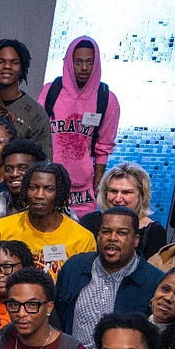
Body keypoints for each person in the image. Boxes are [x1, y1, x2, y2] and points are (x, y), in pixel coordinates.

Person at [55, 207, 161, 349]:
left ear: (136, 240)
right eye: (106, 231)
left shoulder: (154, 281)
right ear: (98, 237)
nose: (112, 238)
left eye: (122, 233)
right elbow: (58, 318)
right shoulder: (74, 267)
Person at [39, 36, 121, 216]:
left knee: (81, 232)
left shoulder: (106, 99)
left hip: (82, 191)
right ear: (70, 62)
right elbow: (38, 135)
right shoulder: (51, 91)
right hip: (48, 181)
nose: (84, 67)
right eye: (78, 62)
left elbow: (104, 146)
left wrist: (98, 185)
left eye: (90, 62)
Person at [0, 161, 95, 281]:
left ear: (60, 193)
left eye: (49, 189)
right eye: (33, 188)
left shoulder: (83, 239)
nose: (39, 195)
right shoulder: (2, 228)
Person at [79, 163, 167, 260]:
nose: (118, 199)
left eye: (126, 192)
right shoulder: (90, 221)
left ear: (141, 195)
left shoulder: (154, 232)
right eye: (113, 191)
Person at [0, 39, 53, 156]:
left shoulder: (35, 114)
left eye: (14, 62)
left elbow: (43, 160)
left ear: (21, 69)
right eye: (0, 61)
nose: (7, 66)